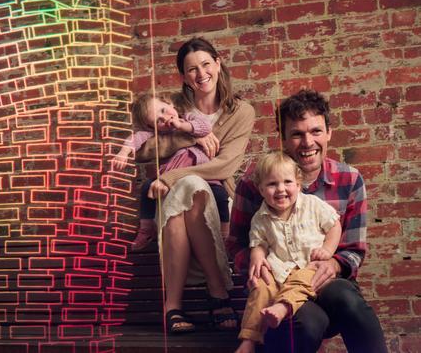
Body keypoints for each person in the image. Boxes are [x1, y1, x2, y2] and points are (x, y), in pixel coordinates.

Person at [227, 89, 387, 352]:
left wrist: (333, 266)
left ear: (329, 132)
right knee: (305, 323)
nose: (308, 142)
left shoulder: (349, 179)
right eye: (297, 134)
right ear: (283, 139)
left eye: (315, 131)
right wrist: (258, 265)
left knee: (347, 298)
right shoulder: (254, 182)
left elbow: (354, 250)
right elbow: (237, 244)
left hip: (329, 284)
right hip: (279, 286)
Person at [134, 37, 255, 333]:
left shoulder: (241, 111)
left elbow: (226, 164)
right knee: (183, 192)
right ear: (183, 77)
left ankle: (172, 306)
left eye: (205, 65)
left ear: (218, 63)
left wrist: (172, 176)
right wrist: (191, 135)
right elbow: (142, 150)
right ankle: (217, 294)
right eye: (191, 70)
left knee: (187, 185)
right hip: (175, 196)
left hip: (215, 197)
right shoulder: (172, 107)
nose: (201, 74)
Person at [235, 151, 341, 353]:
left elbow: (334, 226)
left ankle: (283, 307)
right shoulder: (260, 218)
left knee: (303, 280)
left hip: (309, 267)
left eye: (287, 182)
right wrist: (257, 257)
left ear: (298, 185)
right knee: (259, 287)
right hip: (278, 271)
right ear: (261, 189)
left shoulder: (313, 205)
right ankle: (249, 339)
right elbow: (258, 242)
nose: (281, 189)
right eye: (272, 184)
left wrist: (327, 250)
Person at [112, 93, 231, 252]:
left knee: (221, 196)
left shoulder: (188, 119)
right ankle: (146, 229)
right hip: (172, 178)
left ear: (169, 103)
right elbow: (136, 138)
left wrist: (182, 126)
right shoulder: (156, 135)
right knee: (147, 187)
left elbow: (206, 127)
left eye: (163, 110)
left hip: (202, 174)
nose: (164, 118)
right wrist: (123, 152)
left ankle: (225, 234)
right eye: (158, 121)